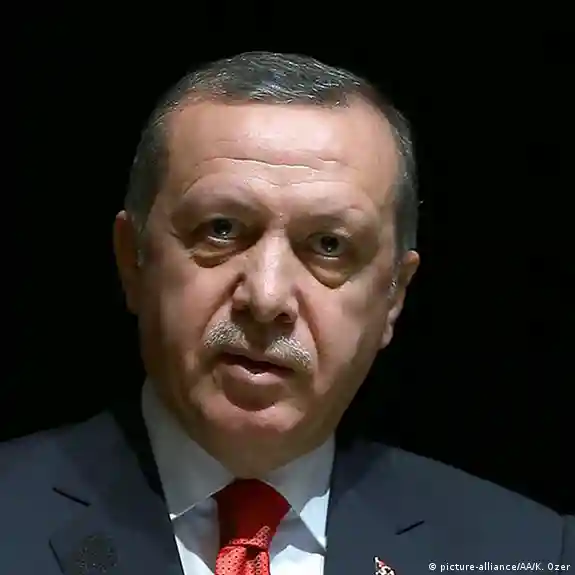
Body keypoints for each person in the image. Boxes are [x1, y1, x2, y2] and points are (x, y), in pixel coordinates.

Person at [1, 51, 572, 575]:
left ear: (394, 295)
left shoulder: (529, 553)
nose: (267, 298)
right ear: (133, 261)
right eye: (221, 229)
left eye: (328, 245)